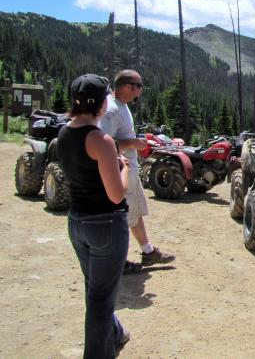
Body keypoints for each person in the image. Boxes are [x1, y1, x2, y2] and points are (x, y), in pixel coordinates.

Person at [57, 74, 131, 357]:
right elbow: (116, 194)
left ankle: (115, 334)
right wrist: (123, 168)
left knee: (95, 290)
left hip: (76, 221)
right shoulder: (101, 140)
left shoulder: (64, 132)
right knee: (100, 300)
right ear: (100, 103)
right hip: (106, 225)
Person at [99, 69, 175, 274]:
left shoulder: (121, 106)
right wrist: (132, 143)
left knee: (135, 212)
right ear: (126, 87)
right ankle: (118, 262)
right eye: (139, 86)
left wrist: (134, 144)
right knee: (121, 218)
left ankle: (147, 251)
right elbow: (103, 143)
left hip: (129, 171)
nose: (140, 91)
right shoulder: (111, 109)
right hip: (119, 174)